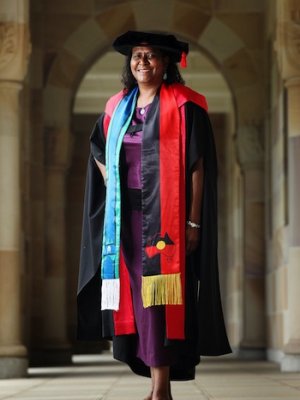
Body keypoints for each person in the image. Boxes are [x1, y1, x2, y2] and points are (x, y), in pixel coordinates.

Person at [77, 30, 231, 400]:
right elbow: (97, 148)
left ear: (166, 64)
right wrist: (111, 180)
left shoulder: (184, 105)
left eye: (150, 56)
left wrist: (193, 222)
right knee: (136, 298)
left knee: (158, 301)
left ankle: (161, 388)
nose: (141, 62)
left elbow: (198, 167)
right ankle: (154, 382)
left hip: (167, 221)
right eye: (136, 56)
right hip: (124, 220)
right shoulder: (117, 107)